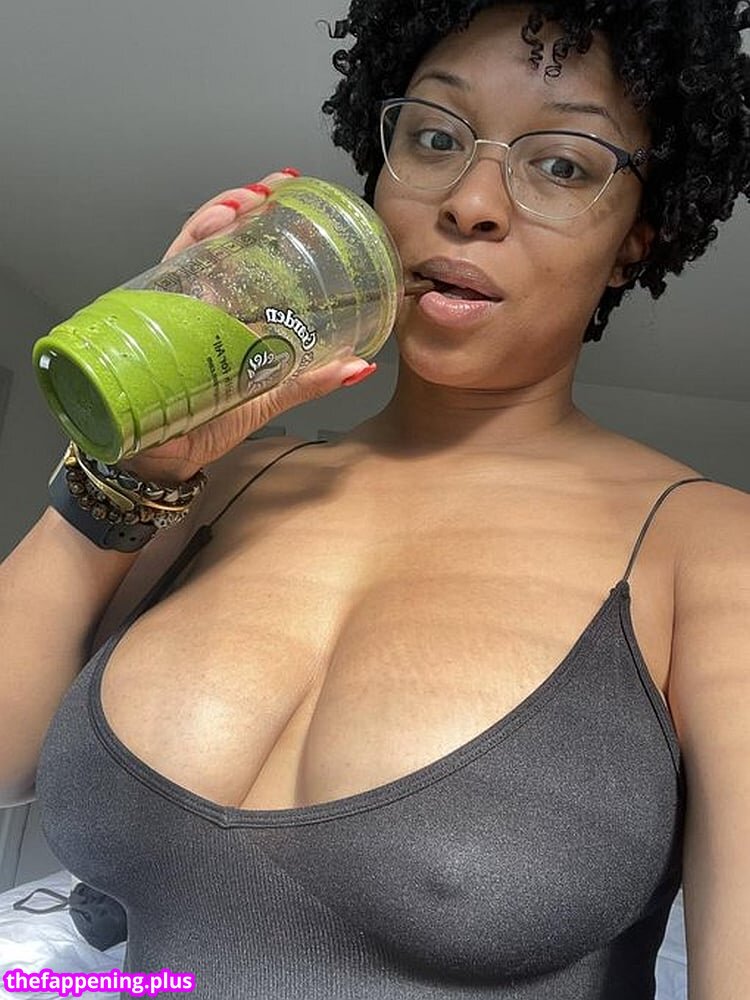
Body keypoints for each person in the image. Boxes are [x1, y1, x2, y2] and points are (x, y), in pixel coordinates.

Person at [1, 1, 748, 997]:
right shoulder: (219, 485)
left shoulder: (710, 552)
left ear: (636, 241)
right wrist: (133, 462)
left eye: (563, 165)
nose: (472, 202)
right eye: (435, 139)